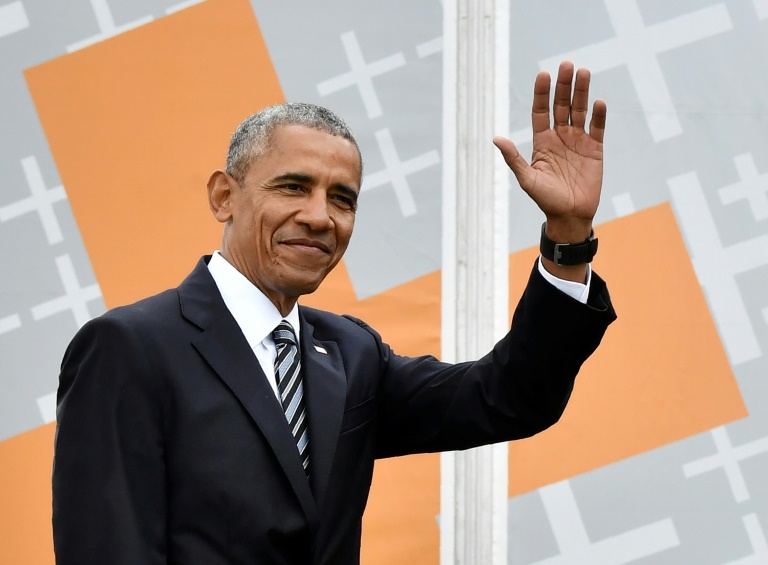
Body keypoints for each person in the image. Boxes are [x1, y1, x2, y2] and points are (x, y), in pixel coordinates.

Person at [52, 61, 616, 564]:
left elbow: (508, 398)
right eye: (293, 187)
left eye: (342, 198)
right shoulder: (130, 347)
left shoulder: (350, 354)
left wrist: (568, 235)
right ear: (224, 196)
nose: (320, 217)